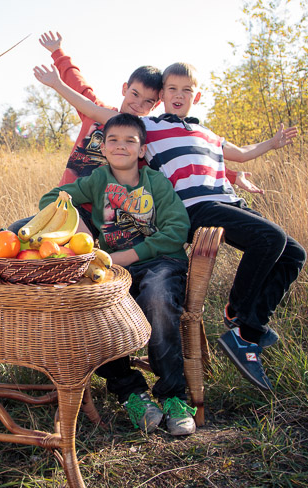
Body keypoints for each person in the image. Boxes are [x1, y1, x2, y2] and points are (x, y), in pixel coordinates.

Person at [33, 62, 306, 392]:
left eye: (186, 90)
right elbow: (92, 109)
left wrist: (270, 145)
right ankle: (240, 323)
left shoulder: (206, 133)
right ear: (162, 97)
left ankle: (246, 321)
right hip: (199, 207)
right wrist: (56, 83)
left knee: (293, 253)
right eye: (172, 90)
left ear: (197, 95)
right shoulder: (151, 128)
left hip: (227, 202)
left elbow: (235, 155)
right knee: (270, 237)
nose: (179, 95)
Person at [37, 113, 197, 435]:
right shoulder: (98, 180)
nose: (120, 146)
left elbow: (178, 228)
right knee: (92, 305)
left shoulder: (155, 182)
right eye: (113, 140)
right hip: (114, 270)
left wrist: (127, 254)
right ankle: (130, 392)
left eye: (129, 140)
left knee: (157, 296)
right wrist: (77, 229)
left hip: (161, 262)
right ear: (104, 148)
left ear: (141, 150)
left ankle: (174, 396)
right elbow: (51, 199)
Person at [9, 32, 163, 238]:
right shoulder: (95, 112)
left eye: (147, 102)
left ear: (156, 105)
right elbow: (78, 85)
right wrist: (57, 52)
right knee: (17, 232)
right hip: (64, 201)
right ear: (125, 89)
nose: (138, 105)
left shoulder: (144, 138)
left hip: (101, 215)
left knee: (60, 247)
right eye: (135, 94)